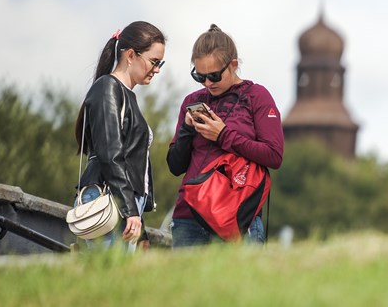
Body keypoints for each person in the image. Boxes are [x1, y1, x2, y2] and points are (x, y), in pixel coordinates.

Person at [167, 24, 284, 248]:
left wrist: (222, 135)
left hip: (237, 215)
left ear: (233, 65)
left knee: (241, 284)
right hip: (188, 217)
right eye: (199, 76)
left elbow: (274, 155)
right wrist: (187, 130)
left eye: (214, 76)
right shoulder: (192, 101)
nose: (208, 83)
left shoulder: (257, 96)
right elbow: (175, 166)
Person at [74, 20, 166, 251]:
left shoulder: (126, 95)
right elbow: (110, 154)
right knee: (104, 281)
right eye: (154, 62)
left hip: (121, 203)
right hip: (109, 201)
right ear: (131, 55)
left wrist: (138, 219)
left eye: (160, 63)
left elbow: (133, 163)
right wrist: (129, 209)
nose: (156, 70)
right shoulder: (107, 88)